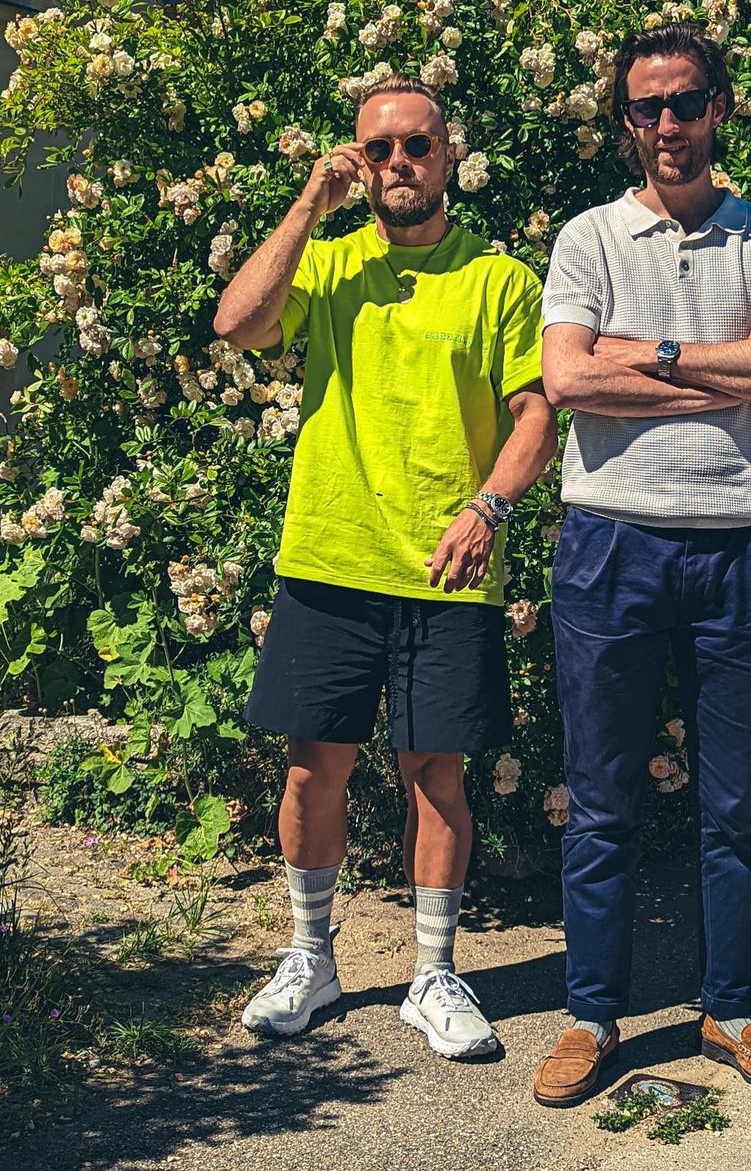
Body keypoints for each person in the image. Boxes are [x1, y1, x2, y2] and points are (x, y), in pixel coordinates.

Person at [214, 75, 556, 1058]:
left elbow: (536, 413)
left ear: (449, 155)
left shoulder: (498, 279)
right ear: (358, 164)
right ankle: (310, 960)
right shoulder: (328, 265)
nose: (398, 163)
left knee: (437, 776)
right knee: (310, 771)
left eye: (417, 145)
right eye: (379, 149)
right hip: (331, 560)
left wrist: (489, 507)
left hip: (446, 573)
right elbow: (238, 325)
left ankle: (433, 975)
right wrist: (306, 205)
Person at [533, 23, 751, 1107]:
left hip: (741, 542)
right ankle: (591, 1016)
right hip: (612, 544)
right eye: (647, 106)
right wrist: (735, 372)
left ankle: (731, 1011)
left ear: (719, 108)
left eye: (686, 101)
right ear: (626, 120)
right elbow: (569, 381)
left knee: (734, 803)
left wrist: (649, 354)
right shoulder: (589, 239)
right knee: (602, 800)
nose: (668, 124)